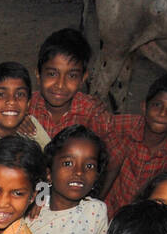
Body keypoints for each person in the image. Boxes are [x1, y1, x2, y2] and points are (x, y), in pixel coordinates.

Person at [102, 75, 167, 214]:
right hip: (110, 207)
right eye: (157, 105)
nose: (162, 113)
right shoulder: (123, 125)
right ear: (144, 106)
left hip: (147, 216)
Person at [27, 29, 115, 170]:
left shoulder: (92, 113)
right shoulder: (24, 108)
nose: (60, 85)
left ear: (83, 78)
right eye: (52, 74)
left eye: (72, 76)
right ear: (38, 74)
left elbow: (110, 156)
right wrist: (12, 125)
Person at [0, 62, 52, 150]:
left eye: (20, 94)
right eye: (1, 94)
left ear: (28, 105)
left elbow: (52, 157)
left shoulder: (33, 129)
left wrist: (36, 136)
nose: (12, 101)